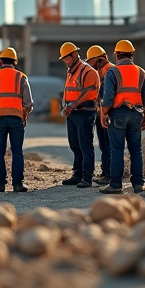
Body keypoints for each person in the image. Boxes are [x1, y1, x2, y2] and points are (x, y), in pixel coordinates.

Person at [98, 40, 145, 194]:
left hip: (118, 114)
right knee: (136, 150)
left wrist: (103, 114)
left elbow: (108, 98)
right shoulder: (141, 72)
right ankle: (138, 184)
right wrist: (143, 113)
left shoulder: (113, 72)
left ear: (116, 55)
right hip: (136, 113)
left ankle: (115, 184)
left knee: (117, 150)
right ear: (132, 54)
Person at [0, 47, 34, 193]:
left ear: (0, 62)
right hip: (16, 119)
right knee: (17, 151)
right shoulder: (21, 77)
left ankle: (0, 185)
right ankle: (18, 184)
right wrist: (24, 116)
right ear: (15, 62)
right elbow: (28, 103)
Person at [59, 42, 99, 189]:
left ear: (74, 55)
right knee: (75, 145)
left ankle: (87, 177)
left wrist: (73, 105)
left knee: (85, 145)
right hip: (72, 113)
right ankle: (77, 174)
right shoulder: (71, 71)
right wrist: (66, 105)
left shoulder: (87, 71)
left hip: (85, 113)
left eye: (66, 57)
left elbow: (90, 92)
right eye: (63, 58)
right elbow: (69, 90)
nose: (65, 61)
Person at [85, 45, 113, 186]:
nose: (90, 65)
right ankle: (106, 172)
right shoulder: (101, 72)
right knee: (104, 145)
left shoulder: (109, 71)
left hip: (108, 114)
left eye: (91, 62)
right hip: (102, 112)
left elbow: (106, 96)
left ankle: (109, 174)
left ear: (98, 59)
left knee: (108, 145)